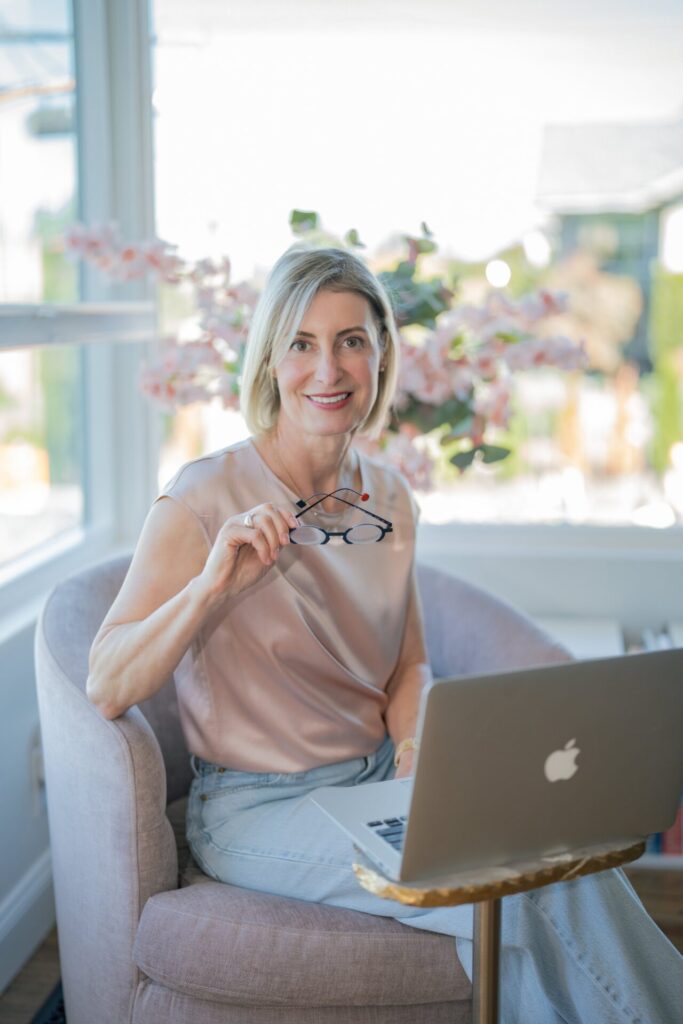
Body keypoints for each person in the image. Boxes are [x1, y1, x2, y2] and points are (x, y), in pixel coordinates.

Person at [87, 245, 683, 1024]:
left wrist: (412, 761)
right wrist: (207, 589)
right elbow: (106, 682)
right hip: (256, 810)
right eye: (301, 343)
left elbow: (407, 665)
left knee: (565, 867)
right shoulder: (201, 498)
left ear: (380, 358)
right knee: (533, 893)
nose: (326, 370)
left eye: (351, 341)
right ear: (269, 360)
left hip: (379, 785)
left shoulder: (391, 497)